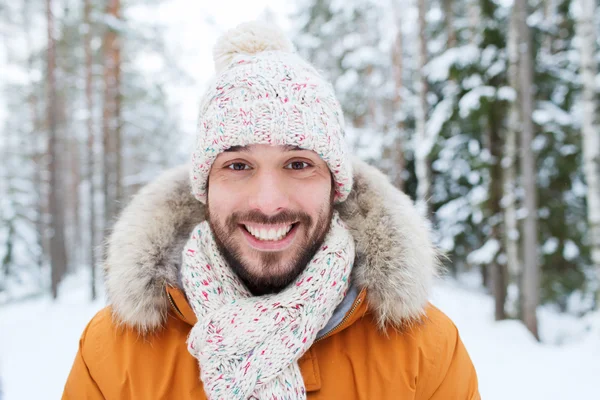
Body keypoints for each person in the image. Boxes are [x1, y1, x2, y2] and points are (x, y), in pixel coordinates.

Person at [63, 22, 480, 400]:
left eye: (298, 164)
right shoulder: (113, 354)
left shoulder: (426, 352)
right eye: (238, 166)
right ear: (204, 188)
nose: (268, 202)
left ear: (336, 187)